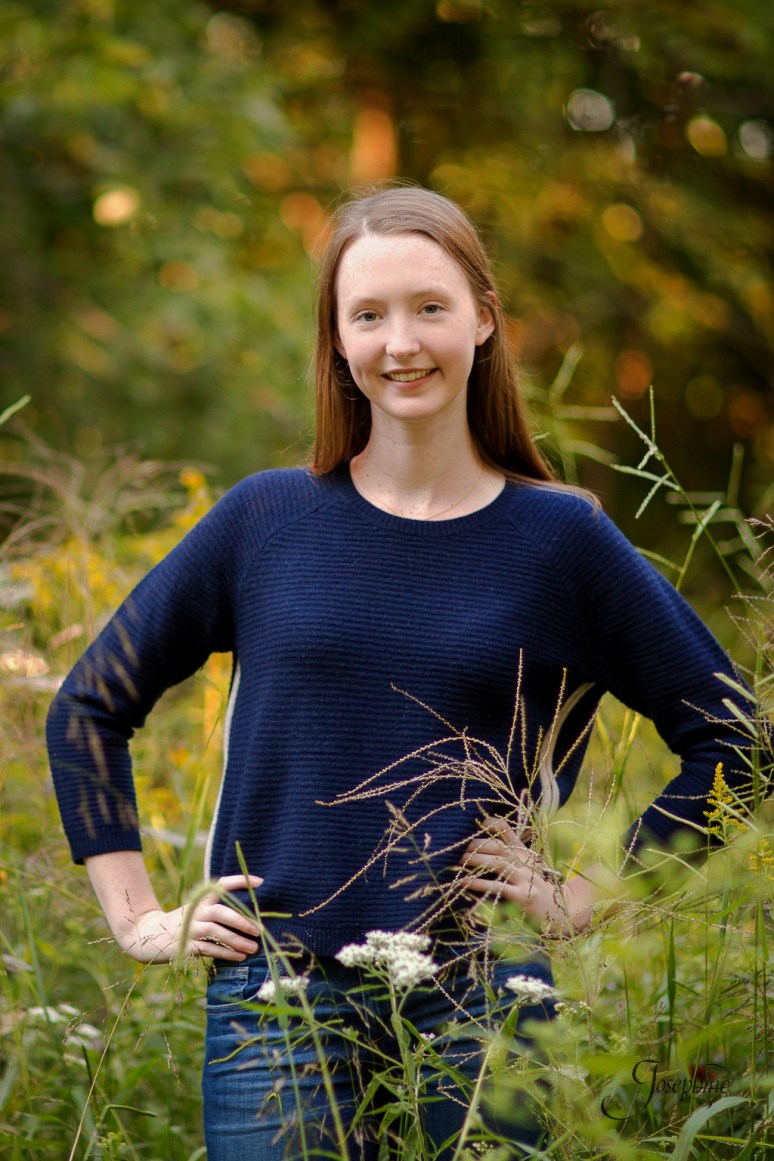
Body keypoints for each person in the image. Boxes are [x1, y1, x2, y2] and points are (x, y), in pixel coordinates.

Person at [47, 185, 753, 1159]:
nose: (400, 342)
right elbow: (89, 703)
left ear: (484, 318)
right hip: (277, 1004)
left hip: (485, 1002)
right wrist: (140, 921)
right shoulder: (266, 520)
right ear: (337, 341)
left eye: (429, 306)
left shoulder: (561, 539)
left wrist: (586, 897)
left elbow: (737, 742)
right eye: (367, 315)